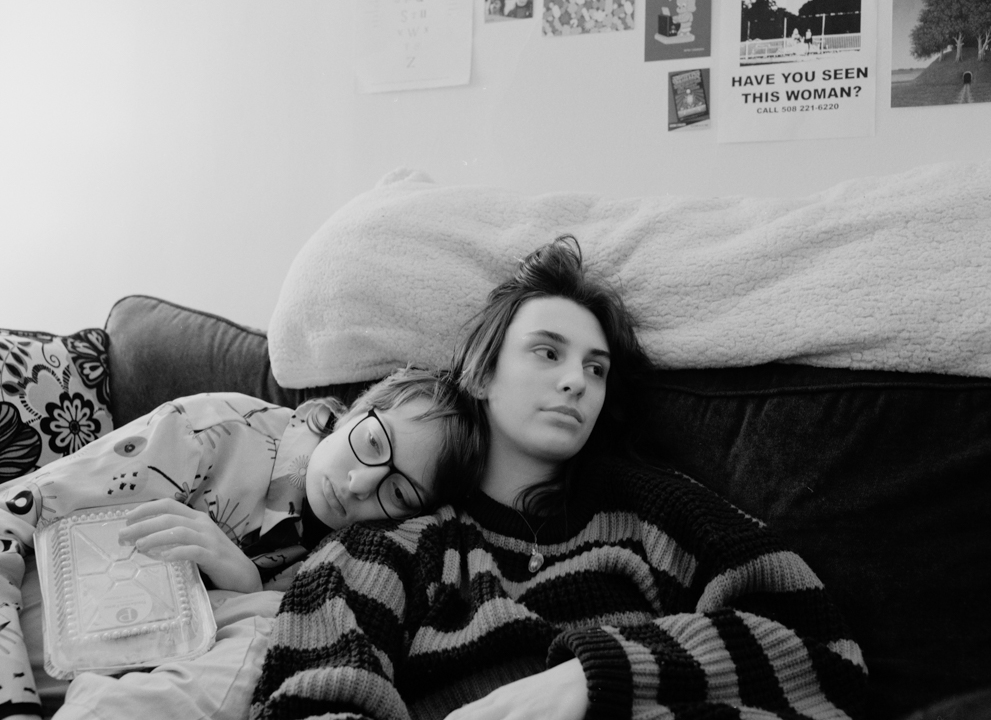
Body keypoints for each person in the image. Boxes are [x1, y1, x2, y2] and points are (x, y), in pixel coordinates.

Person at [252, 236, 868, 719]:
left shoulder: (655, 513)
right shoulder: (398, 543)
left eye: (596, 369)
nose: (576, 381)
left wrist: (595, 674)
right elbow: (312, 695)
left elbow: (820, 650)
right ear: (482, 373)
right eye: (548, 352)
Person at [0, 366, 485, 720]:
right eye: (373, 442)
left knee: (286, 629)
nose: (360, 483)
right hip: (34, 619)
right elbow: (13, 516)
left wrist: (244, 582)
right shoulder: (209, 432)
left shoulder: (364, 557)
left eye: (398, 493)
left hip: (126, 674)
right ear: (353, 410)